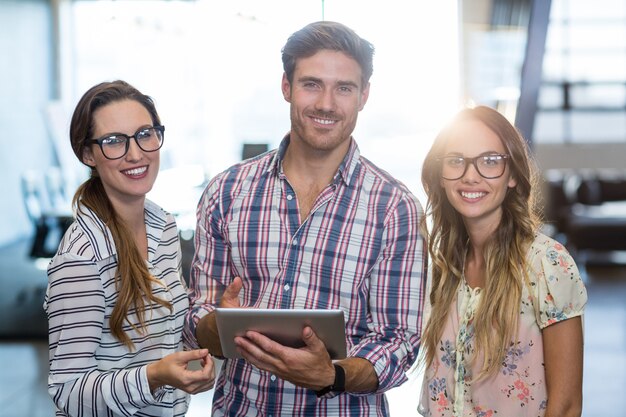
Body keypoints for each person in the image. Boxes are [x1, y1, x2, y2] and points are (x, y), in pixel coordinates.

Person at [184, 21, 427, 416]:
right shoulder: (226, 192)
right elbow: (197, 316)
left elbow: (399, 343)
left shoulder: (395, 208)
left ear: (364, 95)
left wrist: (331, 375)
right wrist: (221, 324)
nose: (326, 103)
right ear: (286, 87)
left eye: (344, 88)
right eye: (312, 84)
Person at [44, 80, 215, 417]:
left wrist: (220, 322)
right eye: (113, 141)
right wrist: (154, 376)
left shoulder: (162, 226)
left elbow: (166, 332)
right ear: (88, 154)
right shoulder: (83, 257)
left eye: (145, 134)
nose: (136, 153)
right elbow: (68, 392)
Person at [418, 105, 588, 417]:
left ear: (511, 175)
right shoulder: (445, 269)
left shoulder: (546, 263)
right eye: (456, 161)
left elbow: (566, 407)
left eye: (490, 161)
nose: (471, 176)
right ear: (441, 176)